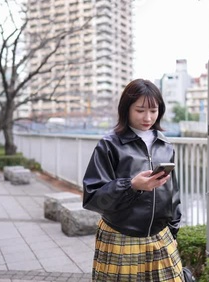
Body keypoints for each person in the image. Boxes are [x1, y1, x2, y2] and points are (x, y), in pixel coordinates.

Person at [83, 79, 184, 282]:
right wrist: (131, 186)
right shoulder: (109, 145)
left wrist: (173, 229)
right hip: (121, 237)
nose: (148, 117)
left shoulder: (166, 145)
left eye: (153, 111)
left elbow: (174, 193)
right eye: (140, 110)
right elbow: (93, 198)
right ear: (126, 109)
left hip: (160, 237)